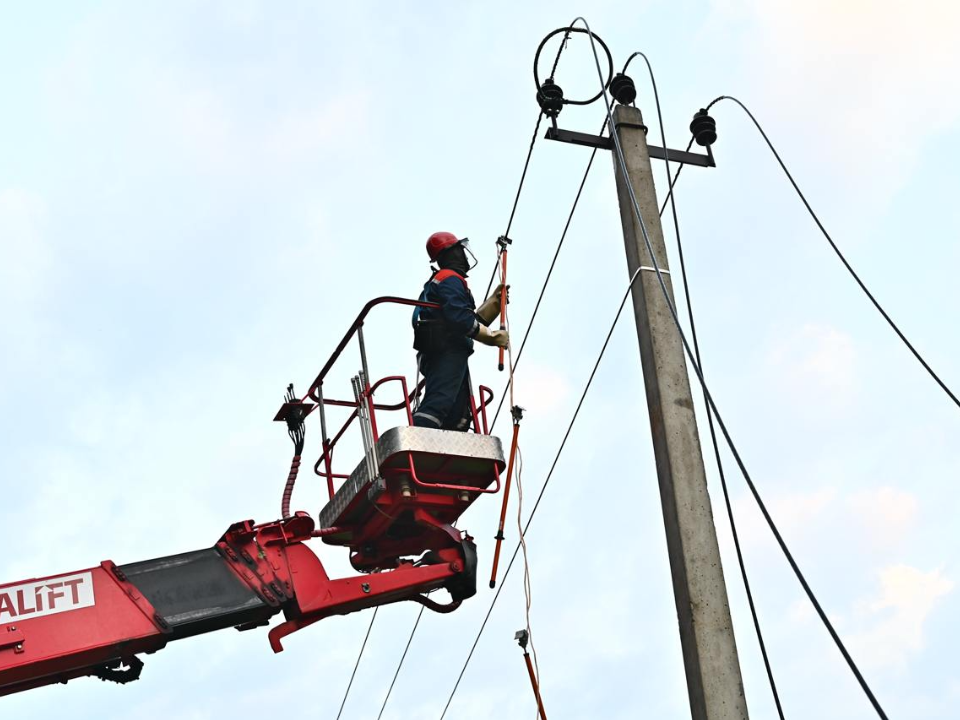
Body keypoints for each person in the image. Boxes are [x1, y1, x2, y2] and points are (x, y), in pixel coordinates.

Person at [411, 232, 508, 431]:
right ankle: (419, 436)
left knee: (458, 412)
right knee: (439, 402)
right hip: (445, 351)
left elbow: (462, 321)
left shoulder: (443, 280)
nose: (464, 256)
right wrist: (490, 337)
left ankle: (443, 437)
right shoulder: (449, 279)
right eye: (460, 250)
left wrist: (493, 305)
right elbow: (460, 320)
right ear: (451, 254)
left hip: (446, 349)